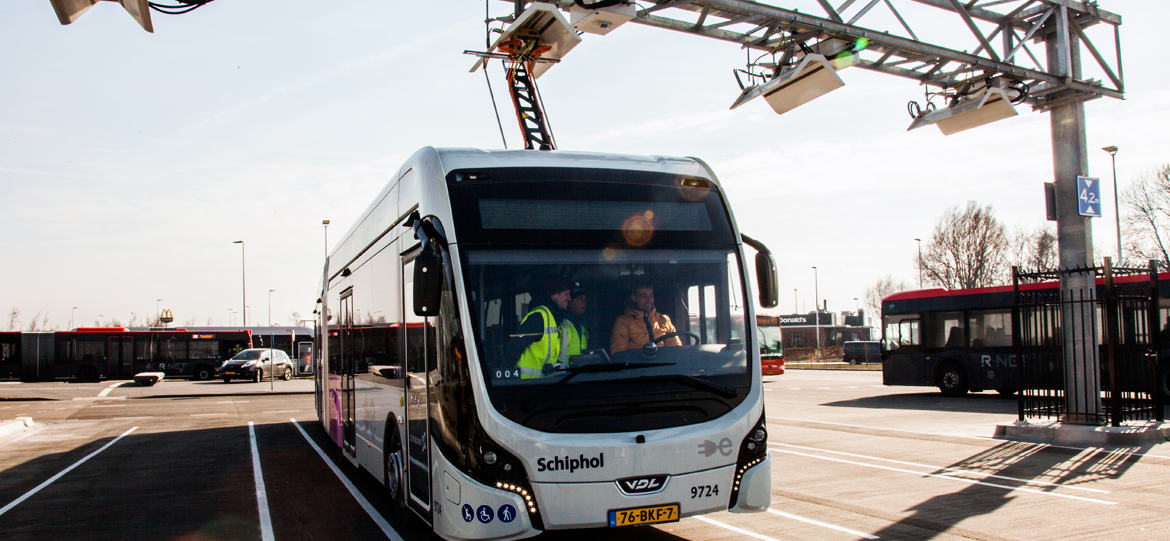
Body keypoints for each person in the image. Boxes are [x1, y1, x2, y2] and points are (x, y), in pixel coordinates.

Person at [504, 276, 572, 379]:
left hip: (542, 384)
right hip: (525, 385)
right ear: (554, 295)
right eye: (566, 294)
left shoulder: (553, 318)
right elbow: (514, 347)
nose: (569, 298)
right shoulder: (538, 318)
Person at [610, 283, 681, 354]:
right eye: (644, 296)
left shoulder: (664, 319)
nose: (649, 300)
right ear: (634, 298)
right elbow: (618, 353)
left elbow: (677, 349)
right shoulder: (623, 321)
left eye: (651, 296)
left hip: (665, 363)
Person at [560, 284, 589, 361]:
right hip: (562, 372)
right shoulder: (560, 323)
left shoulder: (583, 325)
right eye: (580, 298)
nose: (584, 303)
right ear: (570, 302)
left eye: (585, 300)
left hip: (579, 372)